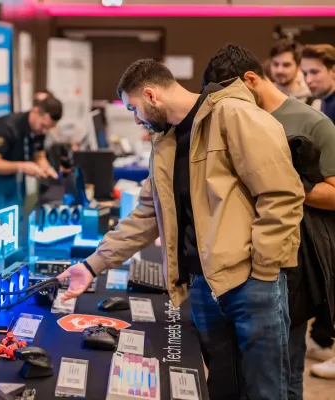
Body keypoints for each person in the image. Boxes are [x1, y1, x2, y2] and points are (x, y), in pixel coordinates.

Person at [57, 58, 305, 400]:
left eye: (133, 108)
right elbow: (146, 215)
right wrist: (91, 265)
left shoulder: (235, 115)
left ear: (151, 95)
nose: (136, 119)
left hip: (251, 283)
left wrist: (263, 268)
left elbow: (281, 194)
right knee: (223, 388)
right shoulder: (166, 142)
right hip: (204, 285)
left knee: (266, 390)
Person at [202, 43, 335, 398]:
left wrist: (280, 182)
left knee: (286, 369)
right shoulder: (235, 118)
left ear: (250, 80)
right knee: (250, 370)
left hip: (295, 259)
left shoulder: (313, 123)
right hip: (244, 260)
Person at [0, 95, 62, 213]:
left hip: (9, 173)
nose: (44, 131)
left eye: (49, 128)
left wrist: (48, 170)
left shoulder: (39, 131)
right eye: (43, 126)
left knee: (14, 210)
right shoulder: (8, 127)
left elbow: (39, 155)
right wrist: (24, 167)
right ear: (35, 111)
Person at [269, 39, 314, 104]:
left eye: (286, 65)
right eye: (275, 64)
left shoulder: (312, 100)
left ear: (299, 67)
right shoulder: (262, 95)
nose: (279, 70)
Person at [301, 44, 335, 122]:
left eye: (314, 72)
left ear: (333, 71)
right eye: (305, 74)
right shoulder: (325, 99)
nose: (308, 80)